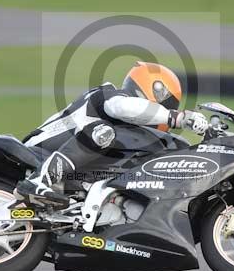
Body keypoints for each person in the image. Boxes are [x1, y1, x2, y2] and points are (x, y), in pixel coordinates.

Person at [15, 61, 209, 208]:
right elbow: (123, 107)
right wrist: (175, 117)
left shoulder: (125, 126)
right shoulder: (109, 95)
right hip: (41, 149)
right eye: (165, 106)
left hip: (73, 168)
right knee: (103, 133)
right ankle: (37, 182)